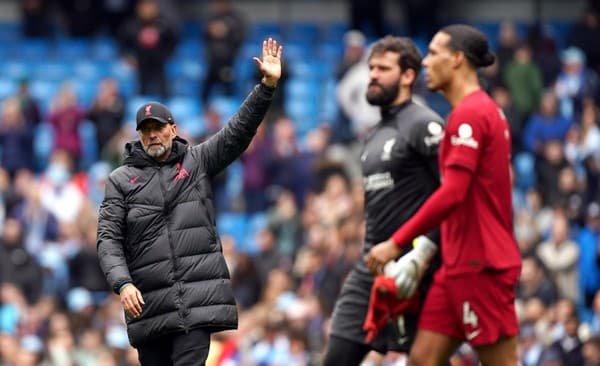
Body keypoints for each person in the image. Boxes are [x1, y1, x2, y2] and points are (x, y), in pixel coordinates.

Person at [96, 38, 282, 366]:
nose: (152, 134)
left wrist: (266, 86)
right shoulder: (120, 181)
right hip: (148, 305)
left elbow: (237, 132)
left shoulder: (196, 162)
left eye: (158, 128)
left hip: (194, 304)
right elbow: (108, 240)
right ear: (138, 135)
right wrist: (122, 283)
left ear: (173, 129)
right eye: (146, 130)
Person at [365, 24, 522, 365]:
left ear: (457, 60)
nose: (425, 62)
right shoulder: (469, 112)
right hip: (456, 266)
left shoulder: (471, 114)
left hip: (481, 266)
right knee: (421, 359)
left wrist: (398, 241)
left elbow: (452, 193)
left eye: (434, 53)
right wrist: (424, 256)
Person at [323, 35, 445, 365]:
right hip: (372, 266)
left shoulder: (425, 123)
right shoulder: (374, 133)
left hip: (418, 269)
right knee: (336, 355)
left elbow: (453, 197)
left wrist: (422, 255)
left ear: (408, 76)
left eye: (383, 68)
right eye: (371, 67)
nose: (372, 75)